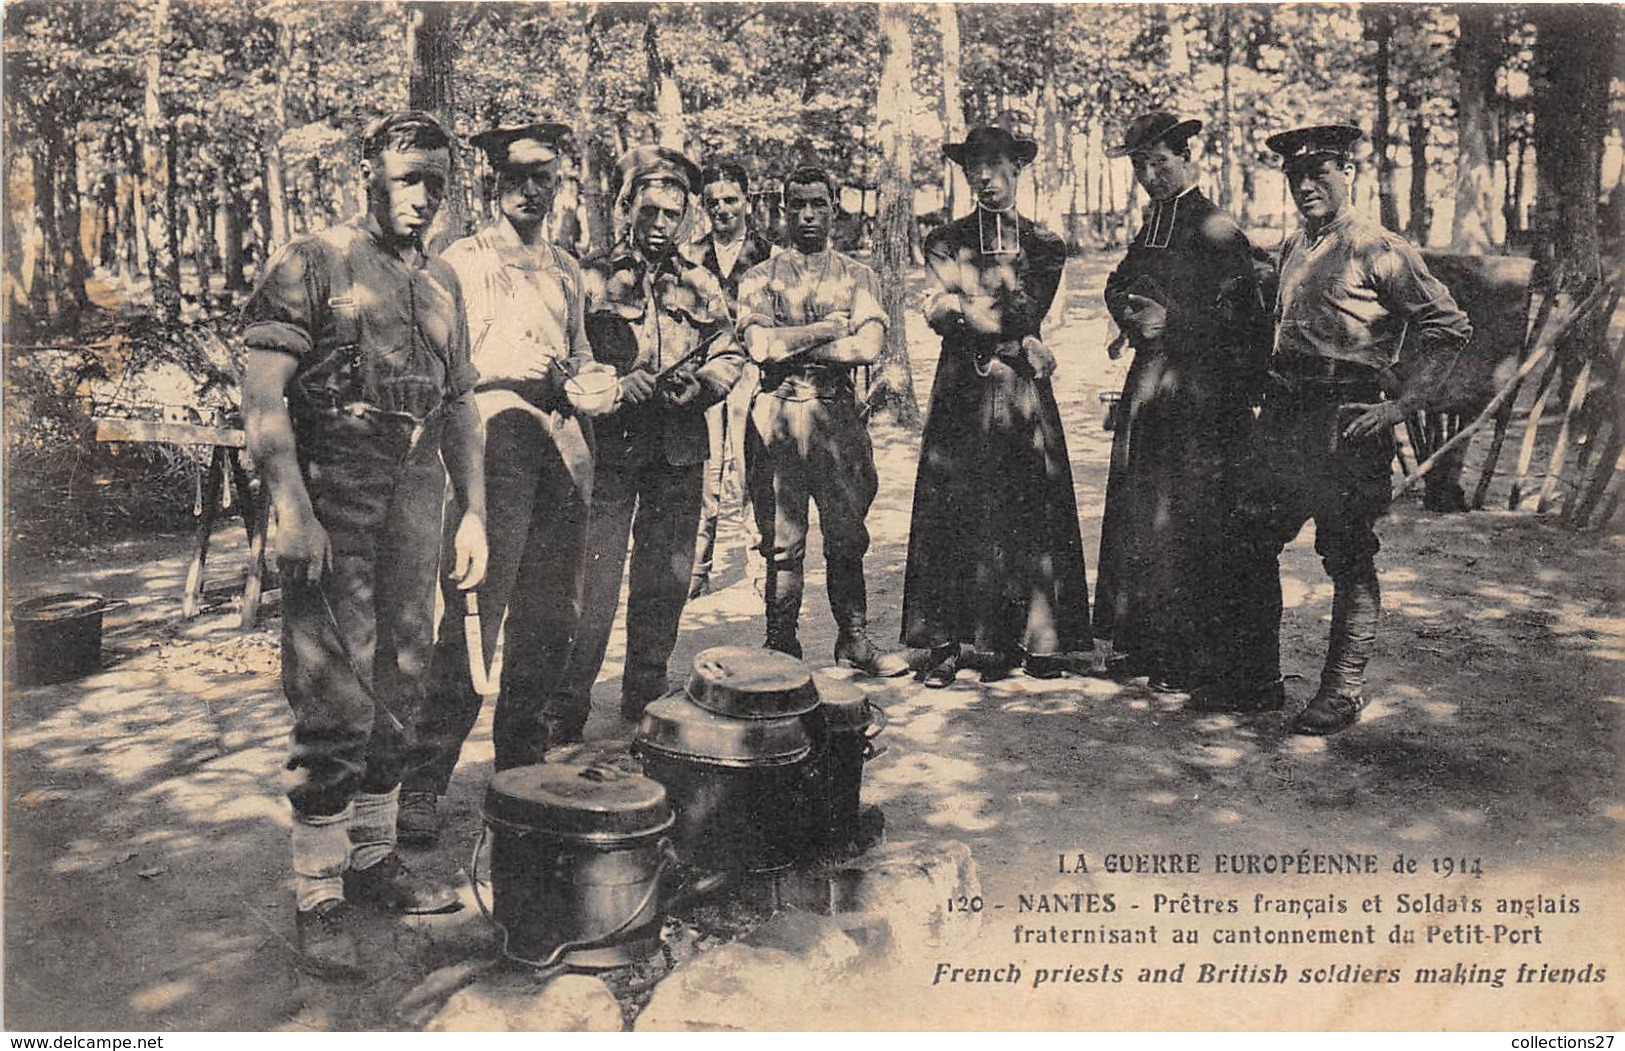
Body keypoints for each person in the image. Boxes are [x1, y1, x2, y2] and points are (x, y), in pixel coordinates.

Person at [239, 111, 487, 978]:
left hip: (418, 496)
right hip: (333, 494)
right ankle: (318, 895)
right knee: (333, 695)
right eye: (408, 175)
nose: (422, 196)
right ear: (368, 175)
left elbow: (460, 407)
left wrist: (476, 513)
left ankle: (373, 858)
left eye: (437, 183)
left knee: (405, 677)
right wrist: (292, 509)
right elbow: (263, 394)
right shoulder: (311, 261)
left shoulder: (441, 286)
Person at [1195, 124, 1471, 734]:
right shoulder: (1297, 244)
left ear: (1348, 173)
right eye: (1296, 176)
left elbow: (1448, 326)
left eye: (1320, 173)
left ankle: (1342, 691)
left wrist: (1399, 403)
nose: (1306, 186)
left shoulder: (1377, 247)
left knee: (1345, 551)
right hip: (1286, 416)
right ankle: (1254, 681)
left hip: (1347, 421)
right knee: (1247, 536)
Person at [397, 121, 616, 846]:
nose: (531, 189)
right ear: (492, 182)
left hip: (560, 447)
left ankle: (520, 767)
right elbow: (437, 371)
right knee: (473, 615)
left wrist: (592, 383)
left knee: (550, 616)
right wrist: (507, 371)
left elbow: (580, 354)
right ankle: (423, 780)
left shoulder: (565, 268)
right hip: (490, 448)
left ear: (559, 184)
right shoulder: (458, 263)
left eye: (544, 176)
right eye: (516, 176)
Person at [551, 145, 746, 724]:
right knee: (593, 582)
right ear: (626, 208)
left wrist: (705, 385)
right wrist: (612, 383)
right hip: (609, 452)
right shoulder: (588, 277)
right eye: (648, 212)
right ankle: (568, 703)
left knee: (665, 579)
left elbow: (730, 350)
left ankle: (644, 692)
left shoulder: (701, 281)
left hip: (680, 452)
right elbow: (564, 358)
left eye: (672, 213)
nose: (660, 225)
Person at [900, 125, 1091, 686]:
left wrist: (957, 307)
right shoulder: (944, 240)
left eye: (997, 165)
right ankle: (951, 643)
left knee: (1026, 502)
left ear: (1017, 170)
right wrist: (972, 312)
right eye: (974, 167)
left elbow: (1020, 313)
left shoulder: (1044, 244)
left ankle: (1037, 640)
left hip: (1019, 389)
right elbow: (964, 312)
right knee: (957, 503)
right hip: (963, 387)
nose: (985, 177)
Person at [1095, 112, 1270, 691]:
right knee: (1144, 515)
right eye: (1141, 165)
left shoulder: (1216, 227)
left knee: (1188, 519)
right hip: (1151, 387)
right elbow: (1116, 282)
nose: (1151, 175)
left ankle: (1186, 655)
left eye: (1161, 163)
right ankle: (1145, 643)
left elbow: (1245, 320)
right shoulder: (1154, 223)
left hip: (1199, 394)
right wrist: (1129, 315)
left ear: (1186, 157)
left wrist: (1175, 322)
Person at [735, 165, 911, 677]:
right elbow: (762, 348)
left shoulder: (860, 276)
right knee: (782, 540)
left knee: (846, 532)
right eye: (797, 204)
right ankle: (780, 644)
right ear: (782, 209)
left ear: (835, 207)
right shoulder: (758, 278)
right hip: (778, 416)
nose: (807, 215)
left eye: (817, 203)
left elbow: (870, 346)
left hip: (837, 418)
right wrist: (828, 329)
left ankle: (853, 641)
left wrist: (799, 339)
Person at [689, 161, 776, 599]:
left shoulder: (770, 255)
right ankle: (697, 567)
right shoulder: (689, 255)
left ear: (747, 200)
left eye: (731, 200)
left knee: (750, 470)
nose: (722, 209)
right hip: (704, 375)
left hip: (751, 375)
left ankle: (760, 562)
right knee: (706, 473)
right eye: (713, 202)